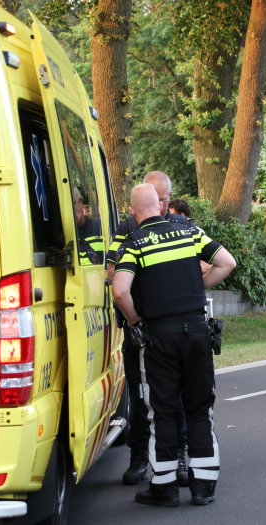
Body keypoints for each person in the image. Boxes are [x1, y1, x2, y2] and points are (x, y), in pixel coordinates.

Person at [113, 184, 235, 507]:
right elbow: (227, 263)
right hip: (197, 333)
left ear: (133, 213)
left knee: (163, 411)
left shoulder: (134, 242)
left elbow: (120, 290)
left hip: (159, 338)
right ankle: (204, 487)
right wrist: (196, 287)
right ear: (161, 206)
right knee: (199, 409)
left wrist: (135, 318)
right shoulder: (190, 232)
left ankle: (164, 488)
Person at [107, 172, 192, 486]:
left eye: (163, 199)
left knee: (178, 394)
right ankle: (139, 456)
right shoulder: (127, 228)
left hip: (173, 327)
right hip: (140, 328)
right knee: (140, 394)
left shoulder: (184, 227)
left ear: (168, 198)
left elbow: (202, 267)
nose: (158, 204)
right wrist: (132, 316)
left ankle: (179, 455)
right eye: (153, 199)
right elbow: (114, 271)